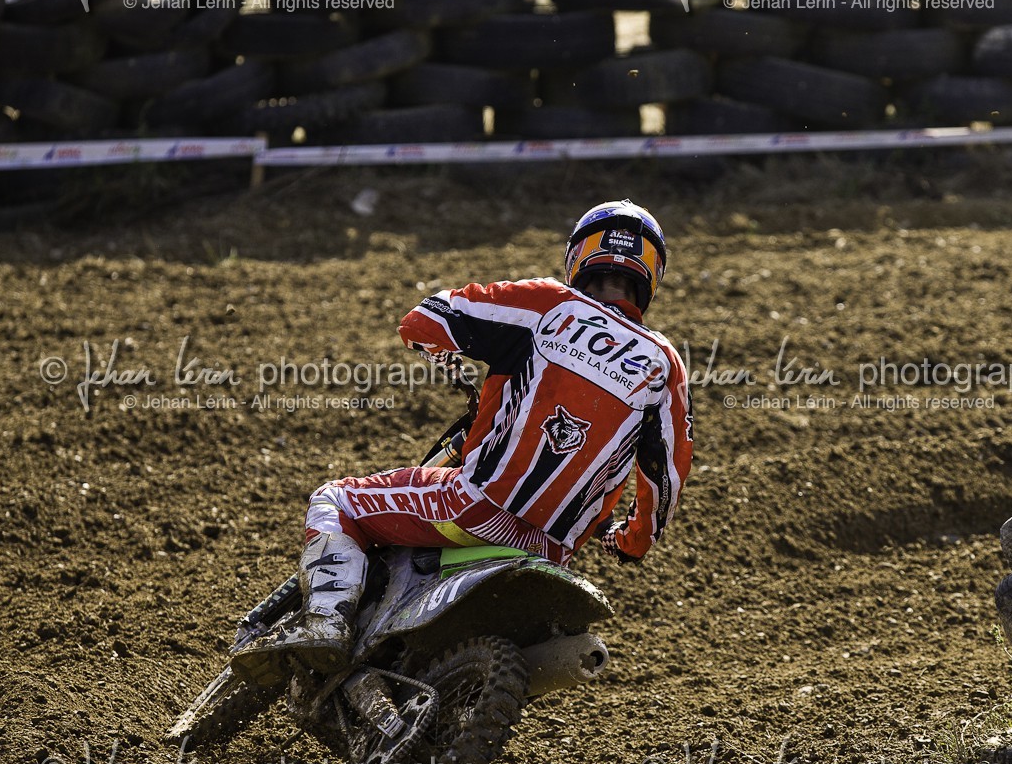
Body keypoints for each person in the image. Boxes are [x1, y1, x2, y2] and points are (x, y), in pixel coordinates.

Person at [229, 201, 694, 686]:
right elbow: (666, 479)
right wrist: (629, 542)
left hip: (474, 508)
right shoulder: (665, 364)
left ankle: (327, 622)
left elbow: (423, 320)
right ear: (651, 273)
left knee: (335, 501)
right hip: (551, 553)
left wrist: (451, 362)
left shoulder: (548, 304)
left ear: (579, 255)